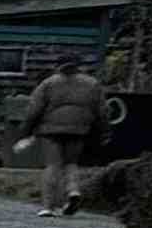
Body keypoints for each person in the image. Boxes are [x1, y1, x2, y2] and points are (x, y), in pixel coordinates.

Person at [21, 60, 111, 212]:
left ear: (58, 66)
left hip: (50, 130)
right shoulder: (92, 84)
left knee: (53, 165)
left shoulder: (48, 83)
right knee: (71, 163)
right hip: (79, 129)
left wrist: (27, 130)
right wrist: (105, 131)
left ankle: (48, 207)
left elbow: (34, 109)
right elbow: (102, 111)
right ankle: (73, 191)